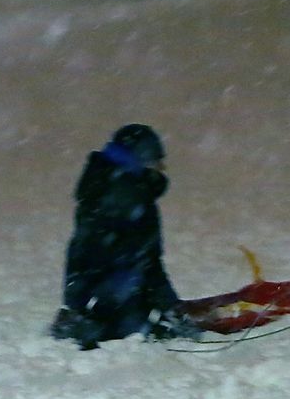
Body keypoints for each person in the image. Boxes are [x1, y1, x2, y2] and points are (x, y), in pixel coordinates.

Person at [50, 124, 192, 349]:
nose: (161, 168)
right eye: (156, 161)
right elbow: (145, 261)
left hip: (87, 288)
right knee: (132, 299)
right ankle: (101, 327)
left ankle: (87, 320)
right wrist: (170, 308)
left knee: (132, 287)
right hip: (107, 290)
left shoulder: (106, 187)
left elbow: (87, 252)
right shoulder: (127, 197)